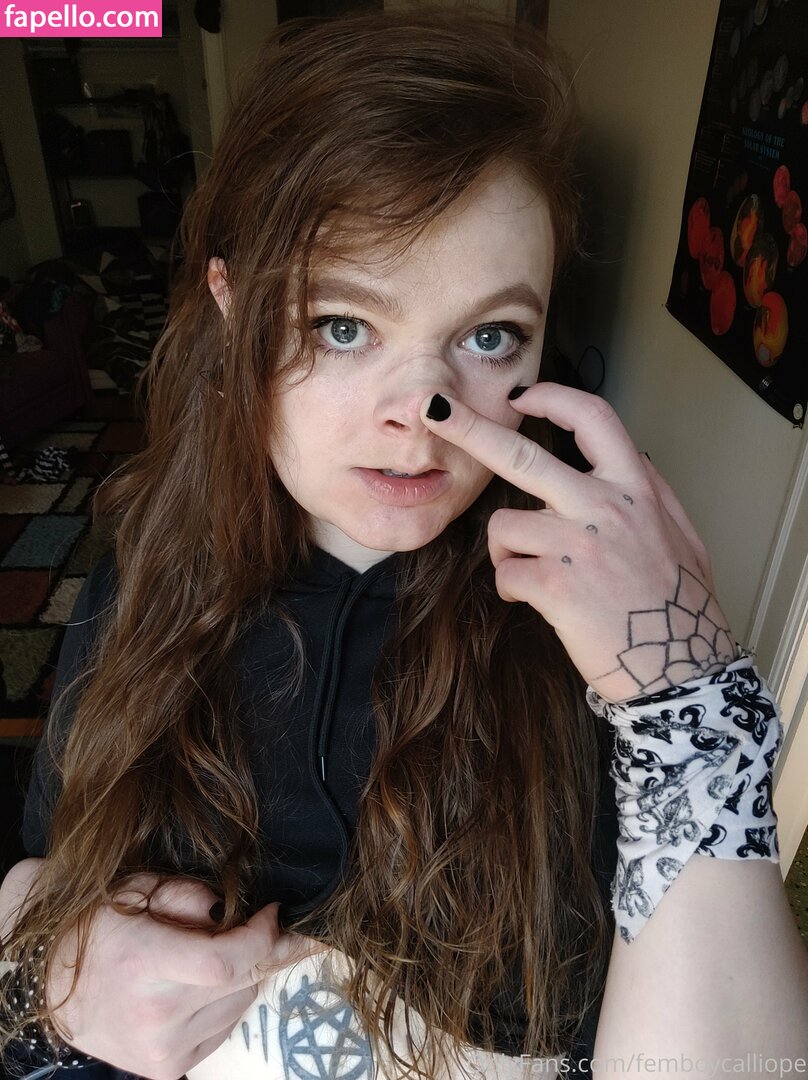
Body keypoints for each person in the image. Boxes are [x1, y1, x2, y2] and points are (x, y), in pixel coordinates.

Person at [1, 7, 807, 1079]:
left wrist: (689, 696)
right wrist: (47, 969)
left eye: (489, 337)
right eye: (342, 326)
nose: (421, 415)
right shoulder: (136, 583)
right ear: (233, 308)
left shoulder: (599, 641)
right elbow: (42, 874)